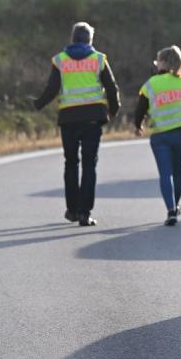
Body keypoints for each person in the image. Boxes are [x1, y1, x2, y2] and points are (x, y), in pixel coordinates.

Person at [34, 22, 120, 227]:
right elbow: (111, 87)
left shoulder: (60, 60)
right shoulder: (98, 59)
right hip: (92, 118)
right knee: (90, 165)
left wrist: (38, 104)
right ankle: (84, 213)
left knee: (71, 163)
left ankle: (72, 210)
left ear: (72, 38)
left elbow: (52, 88)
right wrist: (113, 110)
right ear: (90, 39)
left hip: (68, 119)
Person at [135, 46, 181, 226]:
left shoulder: (151, 84)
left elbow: (140, 109)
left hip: (160, 136)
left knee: (165, 174)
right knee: (179, 173)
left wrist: (137, 125)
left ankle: (170, 210)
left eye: (157, 61)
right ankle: (176, 205)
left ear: (162, 62)